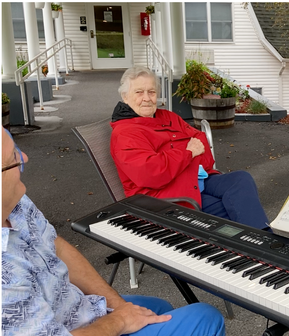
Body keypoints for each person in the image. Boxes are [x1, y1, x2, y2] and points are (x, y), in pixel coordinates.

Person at [1, 128, 226, 336]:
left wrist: (119, 306)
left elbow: (56, 246)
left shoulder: (15, 201)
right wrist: (118, 321)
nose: (25, 159)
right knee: (205, 318)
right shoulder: (4, 278)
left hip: (74, 306)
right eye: (14, 158)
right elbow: (153, 172)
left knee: (159, 308)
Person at [110, 66, 269, 230]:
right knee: (234, 208)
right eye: (139, 92)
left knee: (240, 180)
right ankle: (263, 248)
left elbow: (200, 140)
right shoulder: (125, 133)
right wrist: (188, 153)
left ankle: (266, 242)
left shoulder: (168, 116)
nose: (146, 98)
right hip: (164, 198)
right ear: (125, 97)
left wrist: (183, 159)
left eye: (151, 92)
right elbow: (152, 172)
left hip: (195, 178)